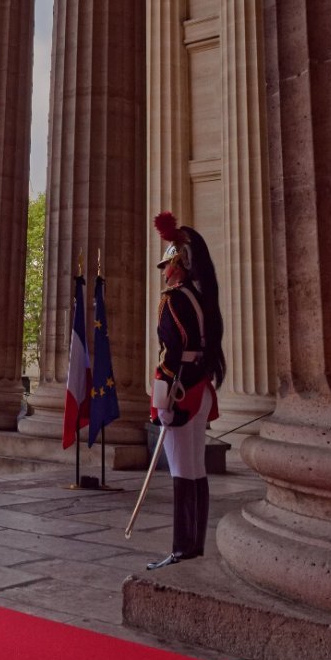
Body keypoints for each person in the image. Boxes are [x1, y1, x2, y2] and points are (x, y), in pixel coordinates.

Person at [146, 211, 226, 571]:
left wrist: (161, 398)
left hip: (180, 390)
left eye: (167, 264)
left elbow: (170, 354)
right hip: (202, 387)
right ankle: (194, 545)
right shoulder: (203, 296)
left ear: (178, 265)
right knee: (196, 468)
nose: (164, 271)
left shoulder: (174, 299)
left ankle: (180, 547)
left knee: (181, 469)